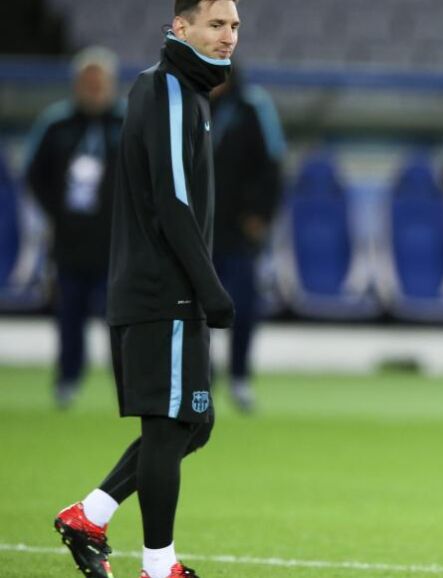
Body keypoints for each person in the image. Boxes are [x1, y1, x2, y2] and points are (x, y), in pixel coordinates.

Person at [53, 1, 238, 577]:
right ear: (181, 27)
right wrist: (209, 287)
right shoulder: (169, 90)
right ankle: (159, 567)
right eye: (216, 24)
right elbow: (173, 200)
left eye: (234, 26)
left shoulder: (184, 90)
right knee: (168, 425)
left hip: (162, 288)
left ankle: (89, 516)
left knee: (192, 423)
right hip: (165, 290)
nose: (228, 36)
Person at [25, 46, 123, 409]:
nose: (94, 89)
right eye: (88, 83)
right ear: (77, 85)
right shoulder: (56, 124)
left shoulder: (128, 123)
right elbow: (34, 174)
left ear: (111, 85)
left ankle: (126, 383)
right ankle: (68, 379)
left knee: (121, 318)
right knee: (69, 315)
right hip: (69, 241)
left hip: (115, 243)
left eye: (100, 83)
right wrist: (57, 213)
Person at [210, 67, 285, 412]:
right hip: (194, 227)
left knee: (242, 305)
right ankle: (200, 377)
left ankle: (239, 376)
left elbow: (272, 163)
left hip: (239, 228)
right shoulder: (185, 103)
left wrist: (260, 214)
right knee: (190, 309)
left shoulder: (254, 106)